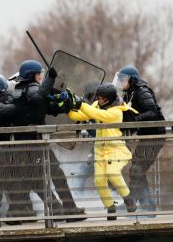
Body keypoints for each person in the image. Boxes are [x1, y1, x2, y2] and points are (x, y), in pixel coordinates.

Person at [7, 60, 85, 222]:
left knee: (48, 176)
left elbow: (45, 107)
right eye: (40, 74)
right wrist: (50, 79)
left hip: (33, 142)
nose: (41, 77)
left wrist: (65, 104)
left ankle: (64, 209)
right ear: (32, 75)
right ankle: (65, 210)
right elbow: (37, 99)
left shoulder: (24, 89)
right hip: (31, 143)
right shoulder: (31, 88)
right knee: (46, 176)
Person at [68, 83, 137, 220]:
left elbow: (98, 114)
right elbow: (80, 116)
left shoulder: (116, 111)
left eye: (103, 98)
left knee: (112, 173)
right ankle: (111, 207)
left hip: (115, 148)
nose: (100, 100)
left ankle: (129, 200)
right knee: (99, 180)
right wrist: (68, 107)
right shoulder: (97, 105)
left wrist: (80, 104)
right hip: (100, 149)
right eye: (99, 97)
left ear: (110, 99)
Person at [114, 66, 165, 213]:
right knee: (136, 169)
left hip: (155, 136)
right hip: (146, 136)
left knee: (137, 169)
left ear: (131, 80)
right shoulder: (131, 93)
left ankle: (132, 204)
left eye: (123, 79)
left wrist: (136, 120)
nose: (121, 82)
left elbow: (152, 111)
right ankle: (147, 206)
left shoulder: (142, 91)